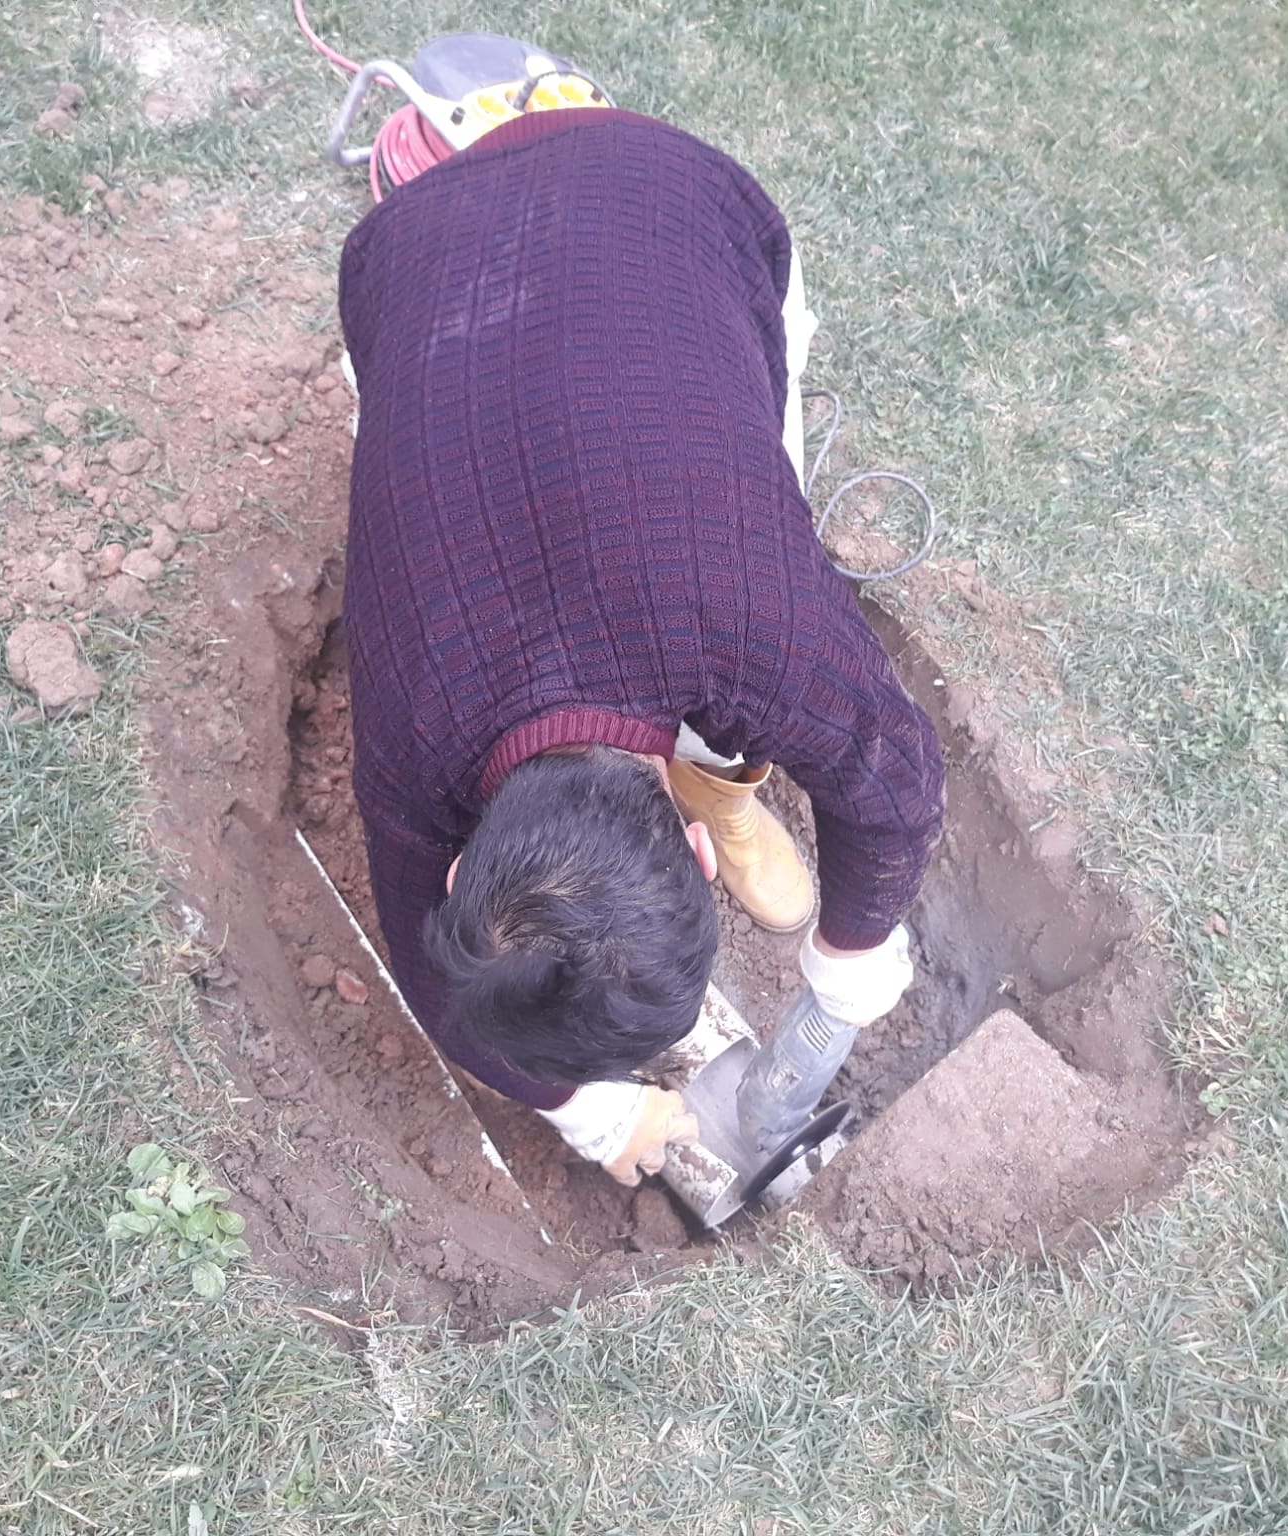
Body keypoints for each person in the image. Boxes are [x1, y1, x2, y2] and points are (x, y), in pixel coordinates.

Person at [336, 105, 945, 1188]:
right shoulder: (406, 728)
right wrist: (592, 1111)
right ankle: (718, 782)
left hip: (669, 194)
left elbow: (893, 779)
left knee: (760, 458)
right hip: (409, 251)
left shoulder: (754, 618)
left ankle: (726, 785)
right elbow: (425, 968)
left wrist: (852, 948)